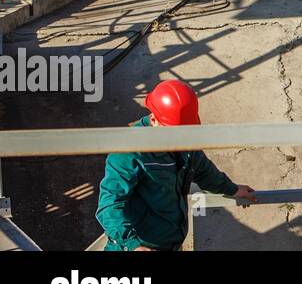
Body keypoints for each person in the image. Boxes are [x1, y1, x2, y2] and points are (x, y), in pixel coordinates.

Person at [96, 79, 257, 252]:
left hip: (170, 244)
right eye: (174, 133)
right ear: (154, 120)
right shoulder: (128, 152)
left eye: (185, 132)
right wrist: (133, 245)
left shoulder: (185, 141)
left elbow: (203, 171)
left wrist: (232, 189)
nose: (180, 140)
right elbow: (109, 206)